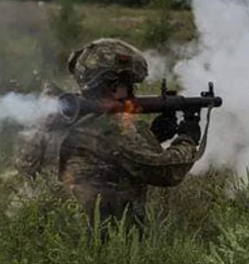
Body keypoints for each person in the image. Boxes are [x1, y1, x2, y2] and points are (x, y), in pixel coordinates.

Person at [15, 38, 202, 242]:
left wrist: (153, 136)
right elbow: (164, 172)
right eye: (127, 84)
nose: (131, 92)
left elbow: (102, 159)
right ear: (113, 85)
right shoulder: (110, 127)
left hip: (46, 238)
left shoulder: (55, 118)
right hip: (99, 242)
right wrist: (187, 139)